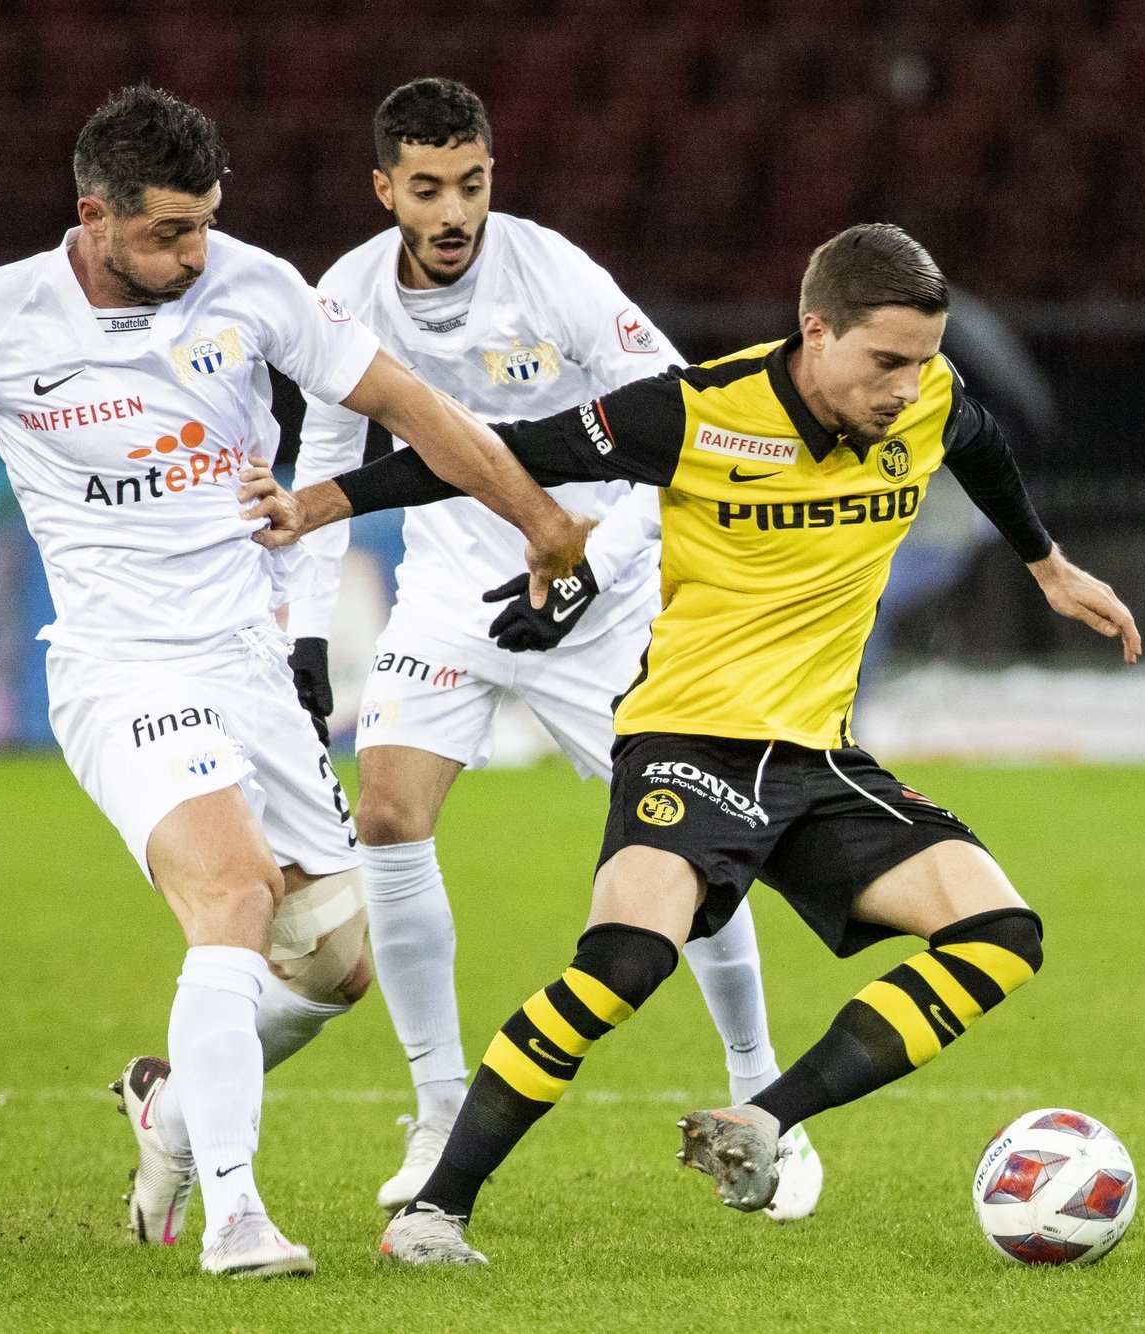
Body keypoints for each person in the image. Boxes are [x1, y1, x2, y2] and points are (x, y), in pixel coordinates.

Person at [0, 85, 591, 1279]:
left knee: (334, 965)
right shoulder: (0, 318)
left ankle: (169, 1109)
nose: (192, 253)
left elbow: (411, 407)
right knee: (235, 893)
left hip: (246, 661)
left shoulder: (252, 286)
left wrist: (539, 521)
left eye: (203, 223)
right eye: (166, 233)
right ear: (92, 215)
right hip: (121, 667)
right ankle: (239, 1212)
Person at [243, 222, 1142, 1265]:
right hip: (689, 743)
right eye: (883, 360)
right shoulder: (695, 409)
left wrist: (1046, 564)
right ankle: (433, 1211)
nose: (905, 386)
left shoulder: (929, 401)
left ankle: (764, 1115)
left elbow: (977, 445)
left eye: (922, 359)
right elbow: (496, 453)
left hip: (817, 761)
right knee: (624, 963)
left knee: (1000, 930)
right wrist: (318, 501)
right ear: (817, 329)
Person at [285, 77, 820, 1219]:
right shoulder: (341, 297)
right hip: (447, 594)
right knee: (384, 814)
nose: (452, 211)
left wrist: (586, 573)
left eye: (469, 184)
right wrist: (307, 635)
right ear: (383, 188)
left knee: (697, 850)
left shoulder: (554, 275)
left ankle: (756, 1100)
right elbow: (326, 465)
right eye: (425, 188)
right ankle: (436, 1112)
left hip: (603, 599)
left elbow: (682, 431)